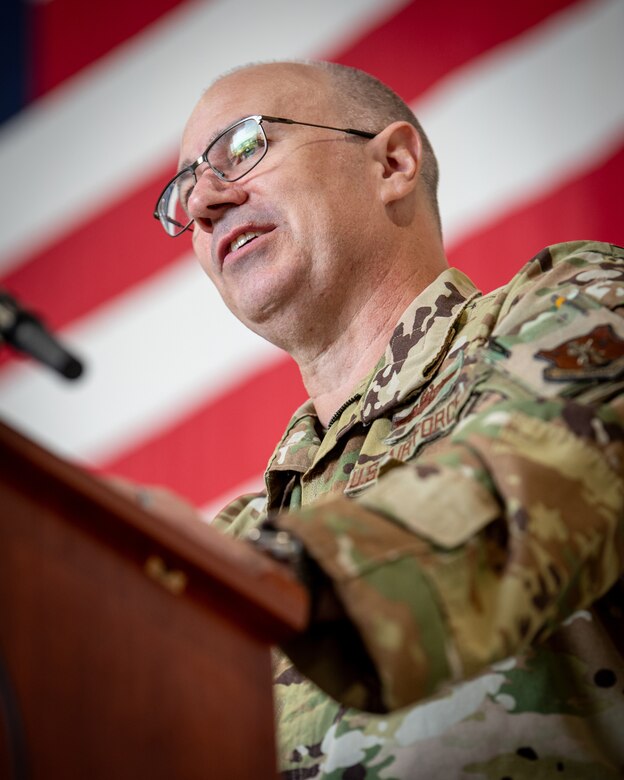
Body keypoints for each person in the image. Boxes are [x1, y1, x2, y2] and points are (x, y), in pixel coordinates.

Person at [148, 61, 624, 778]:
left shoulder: (580, 300)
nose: (207, 200)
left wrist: (260, 580)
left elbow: (531, 484)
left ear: (393, 163)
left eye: (243, 147)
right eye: (184, 190)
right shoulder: (238, 539)